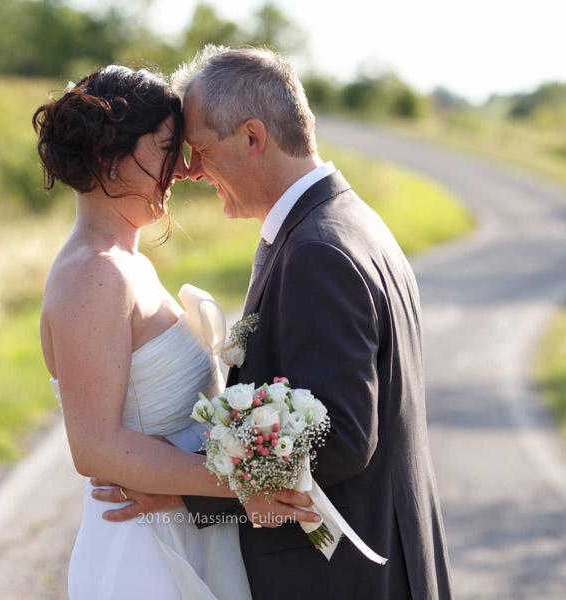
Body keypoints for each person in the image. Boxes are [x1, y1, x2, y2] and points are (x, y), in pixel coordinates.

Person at [96, 46, 453, 598]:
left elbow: (338, 440)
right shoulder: (348, 221)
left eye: (199, 149)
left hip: (341, 579)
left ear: (252, 138)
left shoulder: (318, 252)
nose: (189, 170)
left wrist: (189, 492)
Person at [35, 64, 312, 599]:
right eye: (167, 148)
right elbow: (94, 447)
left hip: (181, 533)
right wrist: (244, 483)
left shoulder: (125, 262)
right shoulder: (95, 274)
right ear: (109, 160)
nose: (182, 170)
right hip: (142, 553)